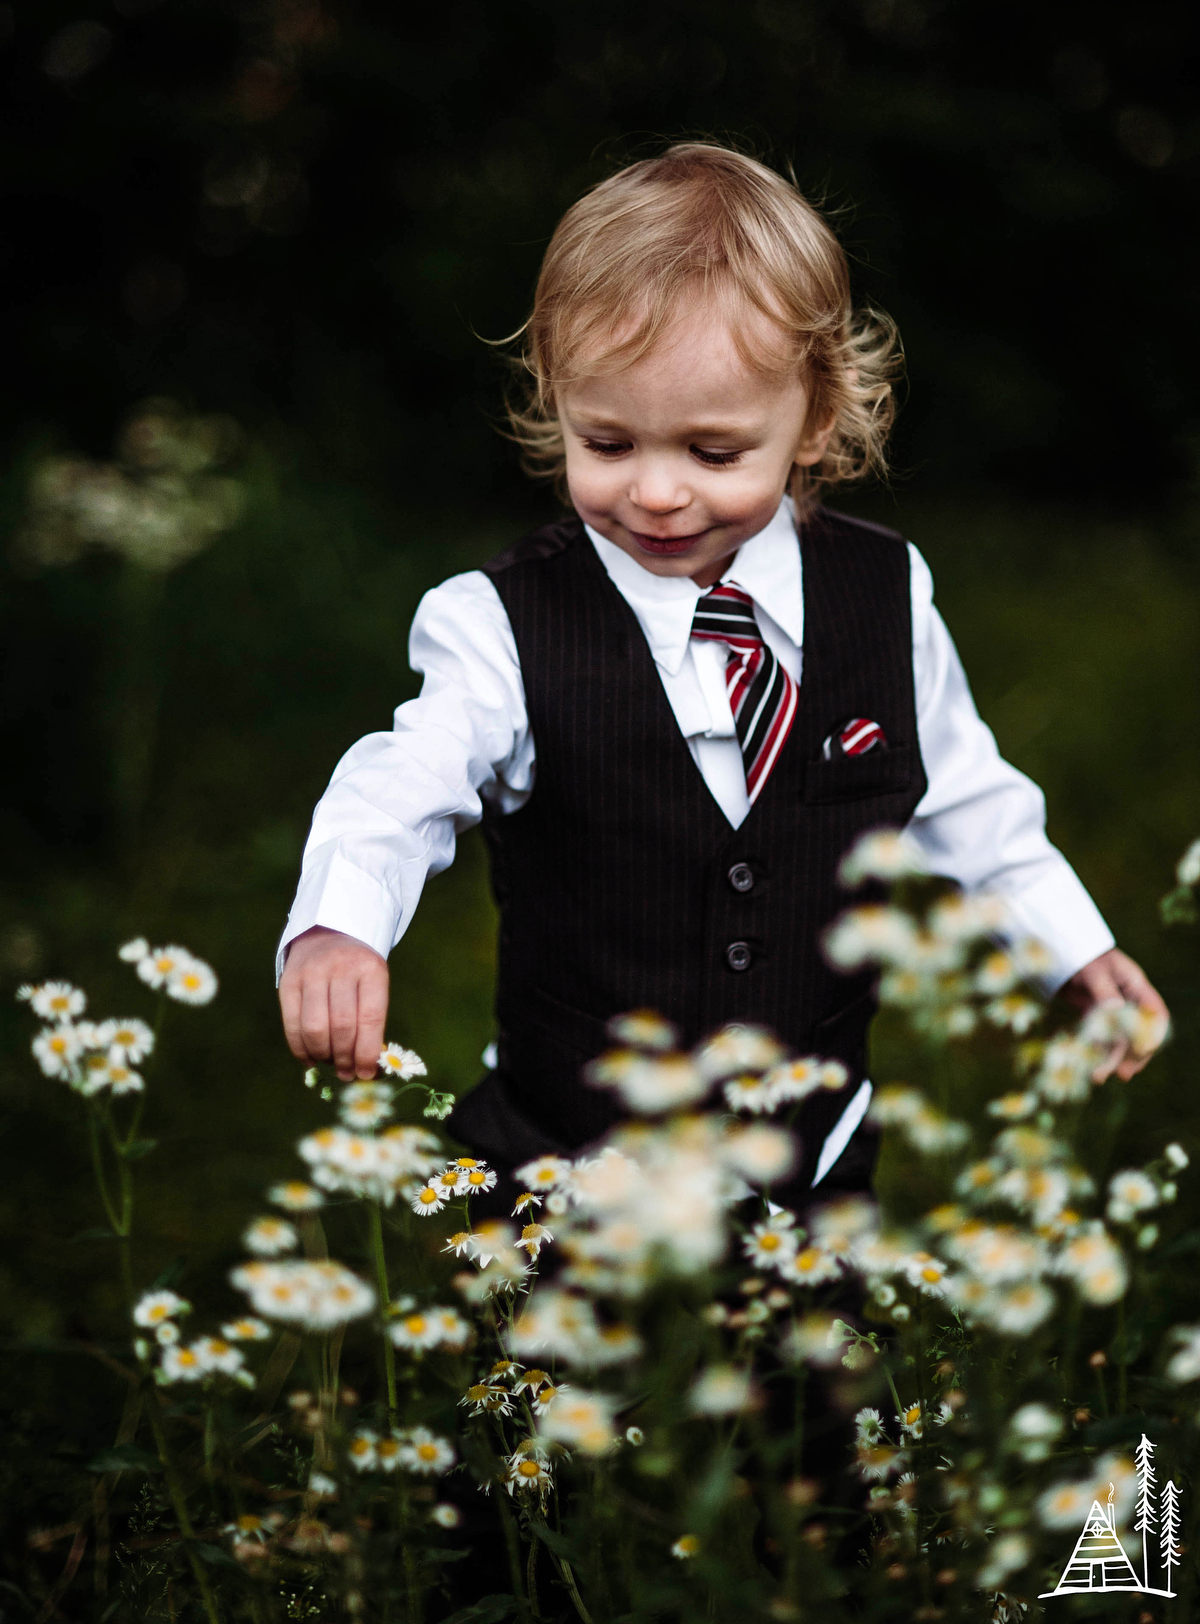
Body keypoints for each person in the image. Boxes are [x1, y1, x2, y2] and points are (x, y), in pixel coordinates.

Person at [277, 142, 1165, 1198]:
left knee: (812, 1366)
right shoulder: (504, 624)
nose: (655, 493)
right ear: (556, 401)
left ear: (815, 420)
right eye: (607, 442)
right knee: (557, 1369)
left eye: (711, 453)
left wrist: (1070, 945)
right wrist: (340, 920)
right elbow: (403, 779)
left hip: (812, 1162)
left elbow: (967, 798)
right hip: (572, 1163)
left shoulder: (881, 595)